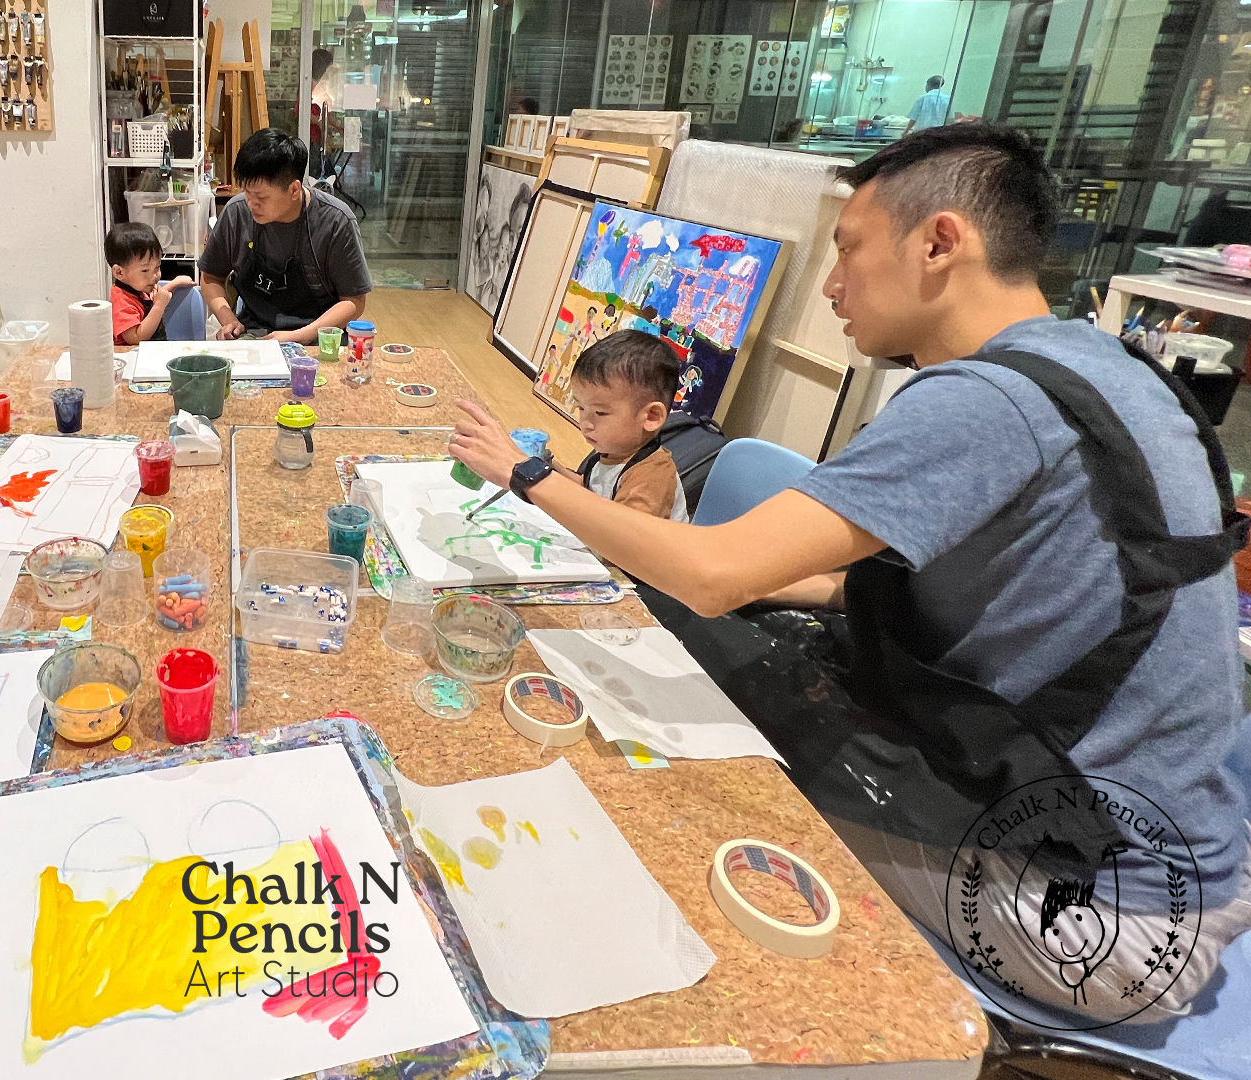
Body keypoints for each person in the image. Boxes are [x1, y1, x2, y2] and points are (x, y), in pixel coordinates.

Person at [446, 124, 1251, 1021]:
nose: (832, 285)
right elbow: (824, 582)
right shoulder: (1099, 364)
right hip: (1180, 841)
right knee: (698, 654)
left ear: (941, 243)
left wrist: (531, 477)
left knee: (678, 792)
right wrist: (693, 575)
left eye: (850, 251)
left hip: (1102, 913)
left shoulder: (983, 403)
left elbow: (714, 574)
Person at [199, 129, 371, 345]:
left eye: (260, 196)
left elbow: (354, 301)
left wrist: (299, 337)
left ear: (294, 190)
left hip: (319, 338)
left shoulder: (335, 221)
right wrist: (228, 319)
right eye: (247, 193)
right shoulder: (236, 213)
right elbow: (211, 276)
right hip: (253, 335)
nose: (251, 203)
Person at [548, 331, 689, 522]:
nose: (586, 424)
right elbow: (590, 488)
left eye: (600, 413)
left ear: (651, 416)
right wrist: (552, 470)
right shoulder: (616, 451)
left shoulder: (650, 477)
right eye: (581, 408)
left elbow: (624, 535)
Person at [106, 222, 194, 346]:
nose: (155, 276)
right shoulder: (121, 301)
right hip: (132, 358)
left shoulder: (139, 286)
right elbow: (135, 338)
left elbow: (155, 297)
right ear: (119, 272)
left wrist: (174, 284)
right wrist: (159, 305)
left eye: (157, 267)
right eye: (145, 270)